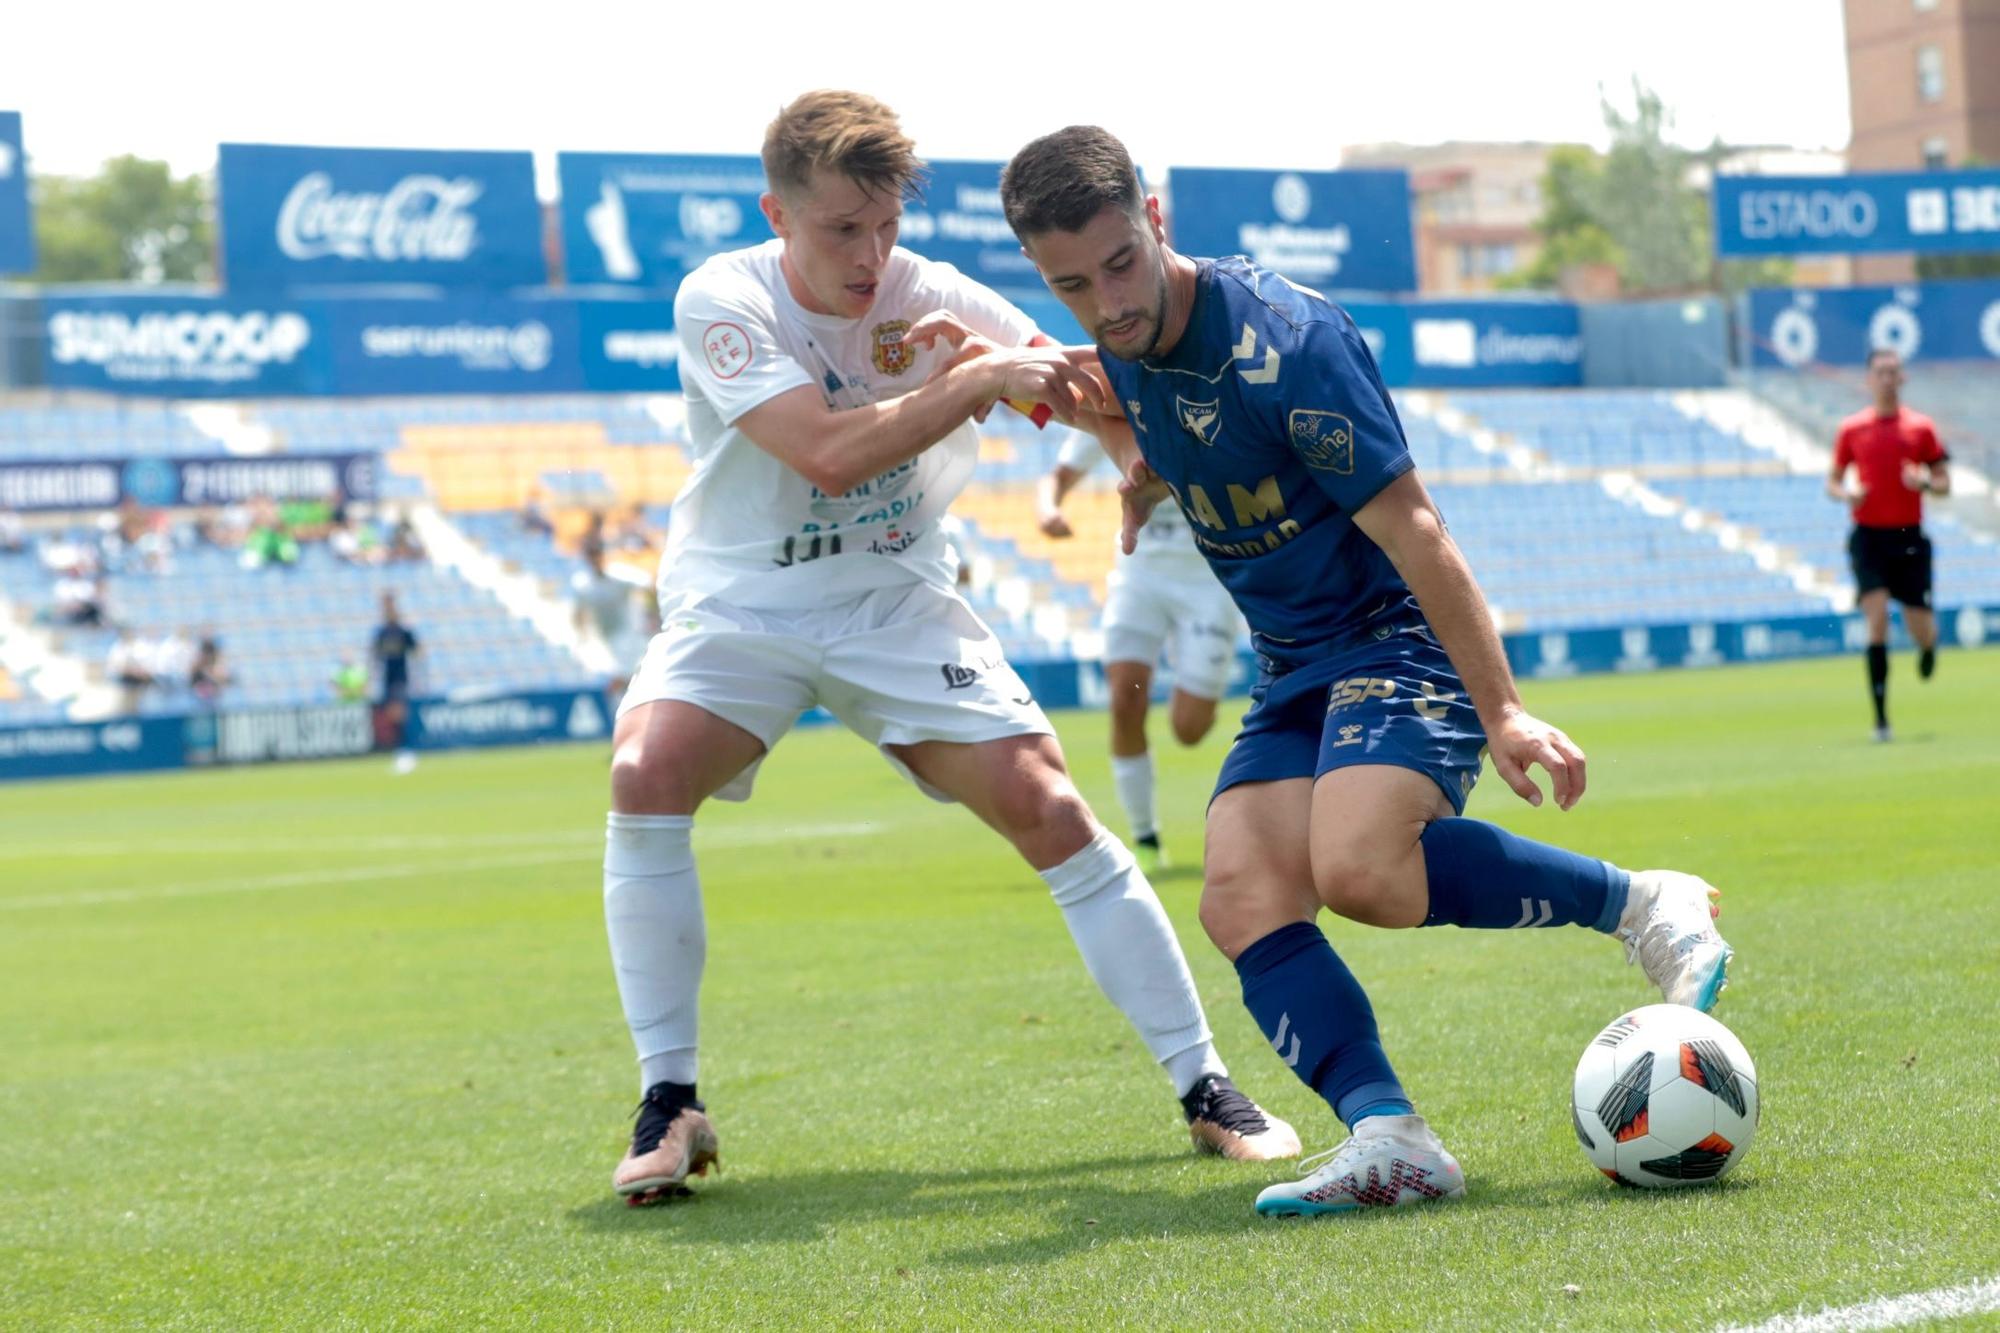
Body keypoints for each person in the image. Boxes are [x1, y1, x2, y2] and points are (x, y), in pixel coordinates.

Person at [995, 125, 1734, 1217]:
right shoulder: (1113, 350)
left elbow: (1417, 531)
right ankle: (1390, 1135)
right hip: (1294, 663)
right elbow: (1094, 395)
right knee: (1240, 892)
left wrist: (1504, 714)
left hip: (1396, 634)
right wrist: (1103, 447)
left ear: (1154, 220)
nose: (1104, 304)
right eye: (1070, 284)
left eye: (1118, 264)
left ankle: (1638, 903)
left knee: (1357, 867)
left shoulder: (1284, 342)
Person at [601, 90, 1297, 1208]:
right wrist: (973, 377)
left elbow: (1078, 385)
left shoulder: (929, 289)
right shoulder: (720, 299)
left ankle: (1205, 1084)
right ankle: (668, 1097)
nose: (873, 255)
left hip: (894, 602)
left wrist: (1129, 450)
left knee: (1051, 810)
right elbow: (823, 454)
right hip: (741, 604)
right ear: (774, 211)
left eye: (885, 225)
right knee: (644, 774)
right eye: (841, 230)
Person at [1038, 427, 1244, 871]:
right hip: (1139, 577)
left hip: (1207, 583)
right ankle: (1146, 839)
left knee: (1189, 729)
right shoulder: (1111, 410)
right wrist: (1047, 510)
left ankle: (1191, 668)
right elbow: (1057, 476)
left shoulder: (1200, 407)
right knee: (1124, 699)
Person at [1826, 347, 1949, 743]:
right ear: (1868, 379)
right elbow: (1832, 481)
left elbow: (1945, 484)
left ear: (1902, 379)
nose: (1887, 379)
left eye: (1893, 372)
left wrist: (1925, 482)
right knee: (1875, 618)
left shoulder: (1921, 428)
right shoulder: (1851, 429)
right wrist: (1848, 493)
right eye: (1880, 372)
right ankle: (1881, 721)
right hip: (1869, 537)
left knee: (1920, 628)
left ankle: (1929, 647)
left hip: (1909, 537)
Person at [371, 592, 421, 774]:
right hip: (387, 679)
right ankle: (403, 751)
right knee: (393, 717)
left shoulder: (403, 631)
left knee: (400, 715)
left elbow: (417, 651)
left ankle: (407, 752)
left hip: (400, 679)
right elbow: (375, 655)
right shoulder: (381, 632)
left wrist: (418, 678)